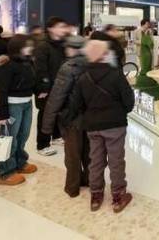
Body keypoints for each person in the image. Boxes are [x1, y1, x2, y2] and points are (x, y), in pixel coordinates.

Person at [69, 40, 135, 213]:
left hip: (93, 126)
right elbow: (129, 101)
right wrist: (120, 111)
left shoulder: (83, 77)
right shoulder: (116, 74)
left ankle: (96, 196)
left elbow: (77, 105)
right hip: (115, 124)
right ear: (105, 55)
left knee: (95, 161)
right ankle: (118, 196)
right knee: (116, 160)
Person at [42, 35, 89, 197]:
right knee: (89, 153)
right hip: (91, 117)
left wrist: (47, 126)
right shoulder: (94, 64)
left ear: (73, 49)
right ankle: (89, 180)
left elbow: (57, 97)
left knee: (72, 155)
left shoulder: (68, 68)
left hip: (71, 119)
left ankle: (72, 187)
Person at [0, 34, 38, 186]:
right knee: (8, 139)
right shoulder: (6, 64)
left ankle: (20, 162)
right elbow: (2, 90)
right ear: (18, 47)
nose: (30, 48)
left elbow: (32, 81)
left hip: (27, 103)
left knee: (22, 135)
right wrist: (2, 114)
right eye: (27, 46)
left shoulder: (28, 62)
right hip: (12, 105)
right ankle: (5, 172)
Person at [34, 16, 69, 156]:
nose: (63, 30)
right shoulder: (43, 46)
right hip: (46, 88)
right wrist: (43, 87)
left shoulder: (61, 45)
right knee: (45, 115)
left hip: (60, 86)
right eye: (60, 27)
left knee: (58, 112)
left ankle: (56, 136)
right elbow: (40, 69)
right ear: (50, 29)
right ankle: (42, 144)